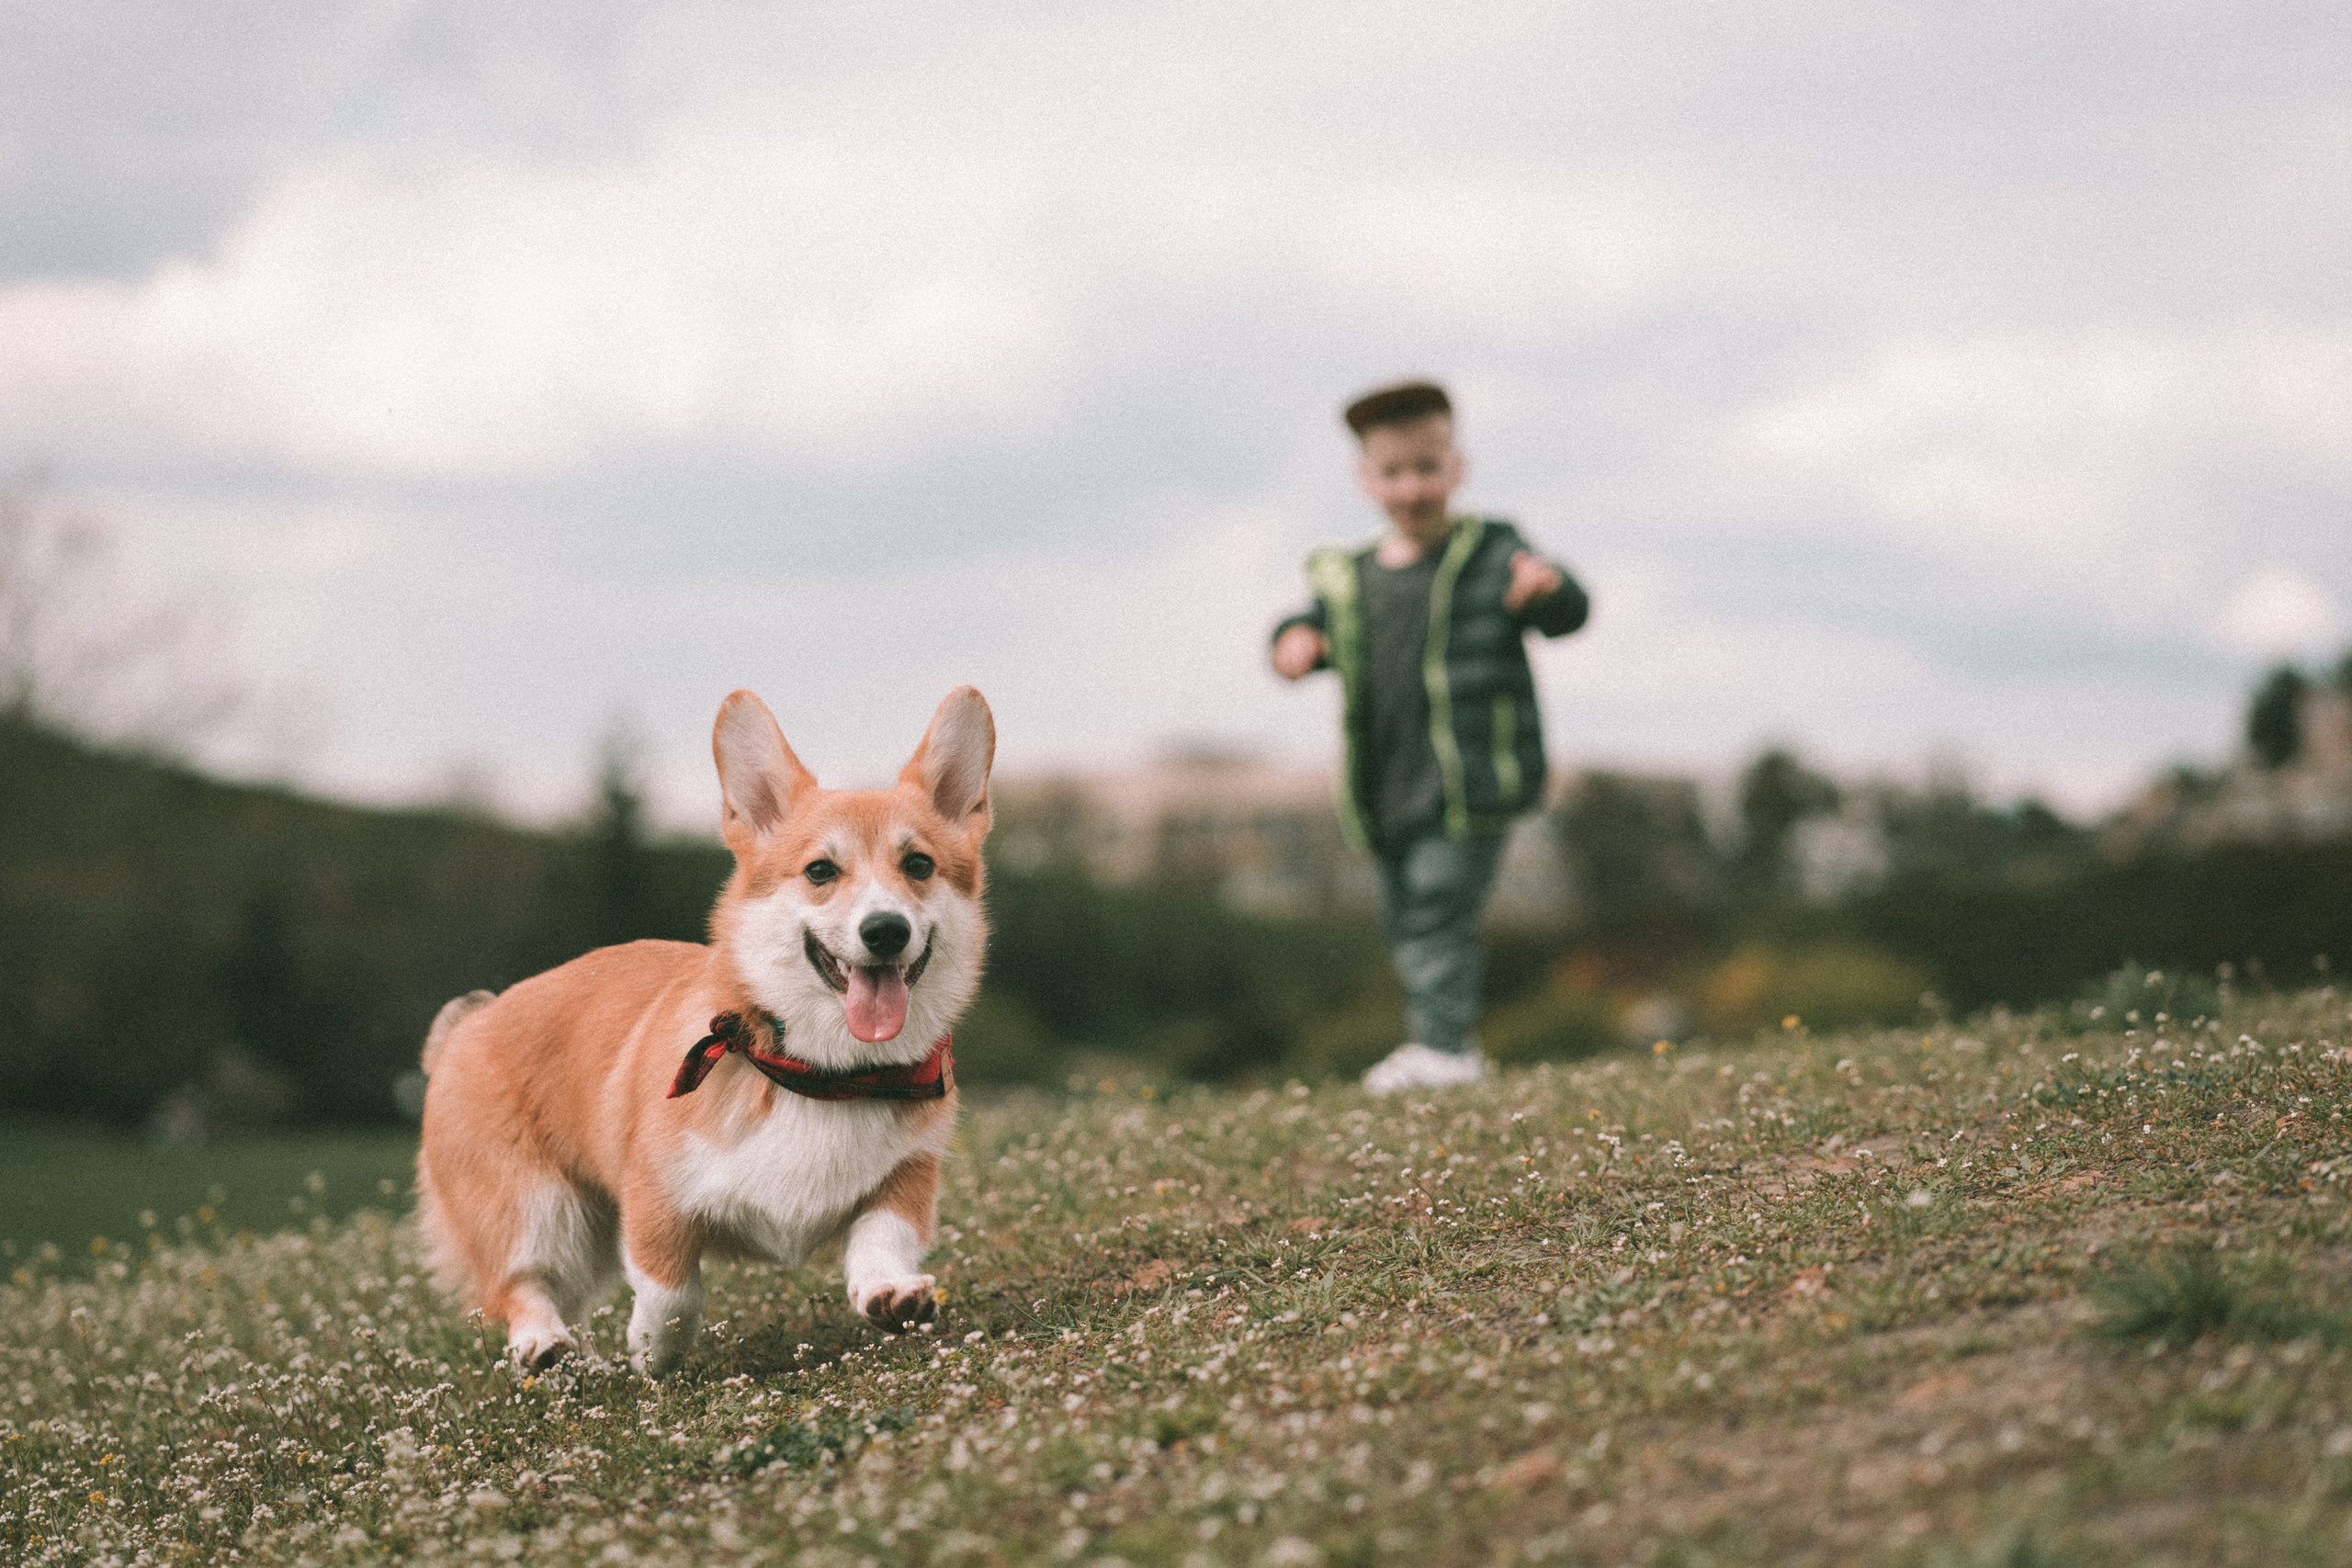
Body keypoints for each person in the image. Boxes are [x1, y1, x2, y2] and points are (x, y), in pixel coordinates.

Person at [1271, 380, 1589, 1095]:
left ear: (1457, 468)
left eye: (1427, 467)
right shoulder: (1348, 578)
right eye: (1393, 472)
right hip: (1385, 783)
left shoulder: (1494, 552)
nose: (1411, 487)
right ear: (1366, 479)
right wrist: (1294, 641)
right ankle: (1440, 1042)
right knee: (1408, 917)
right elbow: (1308, 625)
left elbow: (1569, 609)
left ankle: (1444, 1048)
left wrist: (1547, 588)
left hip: (1472, 776)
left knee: (1441, 906)